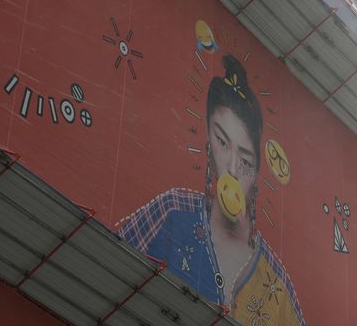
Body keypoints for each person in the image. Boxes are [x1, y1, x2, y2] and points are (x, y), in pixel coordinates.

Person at [117, 55, 305, 325]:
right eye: (221, 141)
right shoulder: (172, 210)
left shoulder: (276, 283)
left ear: (258, 172)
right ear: (207, 141)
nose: (231, 168)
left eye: (246, 160)